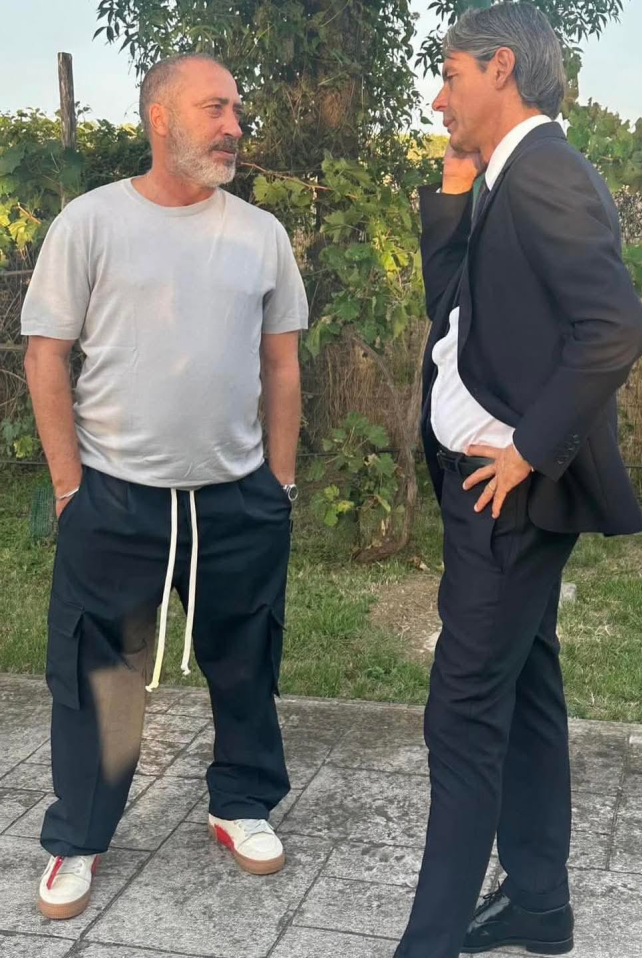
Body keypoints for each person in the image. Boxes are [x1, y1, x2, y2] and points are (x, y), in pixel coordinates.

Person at [22, 52, 307, 921]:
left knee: (246, 658)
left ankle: (241, 802)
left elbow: (282, 365)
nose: (234, 127)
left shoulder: (260, 235)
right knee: (98, 675)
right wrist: (69, 487)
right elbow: (46, 356)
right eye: (215, 108)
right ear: (160, 117)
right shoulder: (91, 222)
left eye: (236, 110)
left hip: (237, 498)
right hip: (115, 497)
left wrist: (281, 484)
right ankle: (80, 834)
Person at [394, 5, 642, 957]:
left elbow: (614, 329)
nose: (439, 97)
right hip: (490, 490)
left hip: (507, 493)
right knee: (527, 694)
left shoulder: (545, 172)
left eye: (451, 75)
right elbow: (456, 316)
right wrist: (454, 193)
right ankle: (539, 904)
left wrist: (529, 450)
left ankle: (428, 941)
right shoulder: (505, 175)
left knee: (461, 715)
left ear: (500, 68)